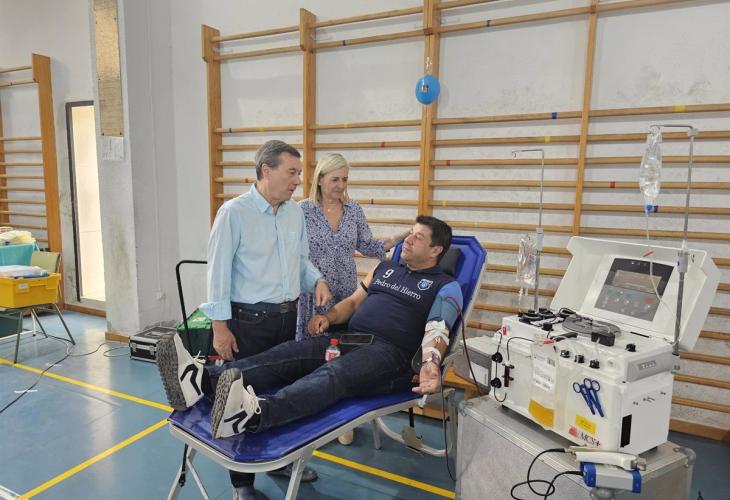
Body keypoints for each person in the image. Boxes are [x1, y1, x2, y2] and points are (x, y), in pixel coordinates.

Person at [157, 216, 462, 448]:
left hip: (390, 356)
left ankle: (254, 415)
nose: (408, 239)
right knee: (290, 353)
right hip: (350, 338)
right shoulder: (384, 269)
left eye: (418, 237)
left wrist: (431, 362)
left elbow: (439, 328)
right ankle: (201, 380)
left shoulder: (446, 286)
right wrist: (328, 317)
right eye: (410, 232)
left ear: (436, 250)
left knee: (333, 374)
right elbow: (353, 303)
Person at [193, 139, 332, 500]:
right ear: (266, 171)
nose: (298, 181)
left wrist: (317, 280)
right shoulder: (234, 213)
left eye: (299, 173)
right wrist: (220, 328)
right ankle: (242, 484)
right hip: (248, 324)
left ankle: (277, 460)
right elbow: (217, 275)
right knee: (240, 398)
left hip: (287, 319)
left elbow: (301, 262)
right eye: (292, 172)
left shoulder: (294, 213)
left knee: (279, 395)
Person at [297, 153, 409, 342]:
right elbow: (295, 255)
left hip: (346, 296)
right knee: (312, 348)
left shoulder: (353, 209)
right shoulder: (302, 210)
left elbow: (368, 245)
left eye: (345, 179)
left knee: (340, 346)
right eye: (335, 179)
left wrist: (399, 238)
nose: (341, 185)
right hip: (315, 294)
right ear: (320, 179)